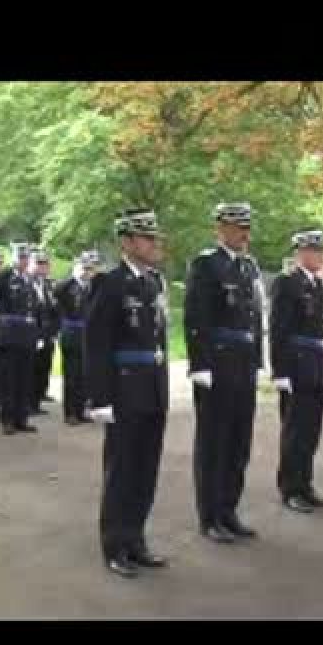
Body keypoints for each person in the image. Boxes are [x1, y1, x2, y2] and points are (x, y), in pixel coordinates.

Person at [84, 209, 170, 578]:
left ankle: (136, 539)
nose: (154, 244)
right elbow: (96, 343)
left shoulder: (154, 283)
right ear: (127, 242)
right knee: (121, 470)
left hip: (151, 388)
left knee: (145, 470)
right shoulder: (110, 283)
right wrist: (100, 398)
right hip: (123, 389)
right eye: (147, 238)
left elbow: (160, 340)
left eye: (154, 238)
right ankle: (115, 545)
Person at [184, 201, 264, 544]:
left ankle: (229, 511)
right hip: (216, 366)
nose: (244, 234)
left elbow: (254, 320)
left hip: (243, 365)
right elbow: (196, 318)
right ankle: (210, 516)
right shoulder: (206, 265)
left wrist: (258, 361)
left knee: (238, 443)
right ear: (220, 229)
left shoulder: (248, 267)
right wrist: (199, 364)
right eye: (236, 227)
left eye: (246, 227)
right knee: (214, 443)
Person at [270, 228, 323, 512]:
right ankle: (290, 488)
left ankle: (305, 485)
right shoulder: (287, 284)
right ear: (300, 253)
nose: (318, 256)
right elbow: (278, 330)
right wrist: (281, 371)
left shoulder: (319, 287)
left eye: (321, 251)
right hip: (296, 366)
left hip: (316, 365)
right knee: (294, 431)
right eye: (313, 250)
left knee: (311, 430)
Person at [0, 242, 42, 435]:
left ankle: (21, 418)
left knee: (25, 379)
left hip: (27, 334)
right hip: (11, 333)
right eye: (20, 257)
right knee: (9, 379)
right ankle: (7, 419)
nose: (23, 260)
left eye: (25, 257)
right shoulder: (6, 276)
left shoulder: (29, 280)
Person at [55, 250, 100, 425]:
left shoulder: (92, 287)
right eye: (85, 267)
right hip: (71, 333)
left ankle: (81, 410)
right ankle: (70, 412)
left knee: (84, 375)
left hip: (86, 334)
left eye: (90, 268)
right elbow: (55, 298)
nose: (87, 271)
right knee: (72, 375)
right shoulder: (68, 285)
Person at [30, 250, 60, 415]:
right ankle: (29, 402)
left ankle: (37, 399)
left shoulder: (49, 284)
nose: (43, 268)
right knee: (32, 369)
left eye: (45, 264)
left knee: (44, 366)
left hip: (48, 332)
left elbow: (55, 309)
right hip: (34, 331)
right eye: (39, 264)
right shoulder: (29, 282)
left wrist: (54, 330)